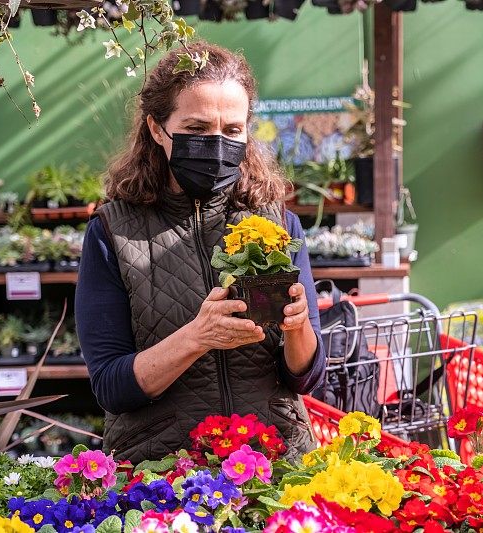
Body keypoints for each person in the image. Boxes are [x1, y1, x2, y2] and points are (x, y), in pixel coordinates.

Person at [75, 41, 325, 463]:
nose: (216, 144)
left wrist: (298, 327)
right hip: (163, 469)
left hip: (275, 458)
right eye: (195, 129)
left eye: (232, 130)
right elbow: (111, 386)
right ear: (158, 129)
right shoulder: (112, 232)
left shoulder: (276, 225)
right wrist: (197, 337)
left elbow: (306, 378)